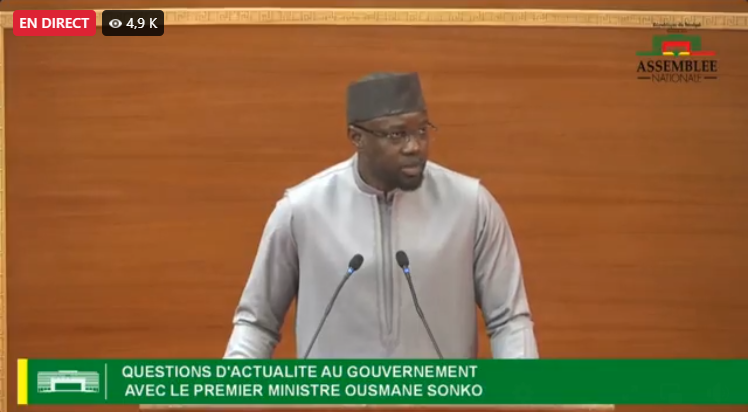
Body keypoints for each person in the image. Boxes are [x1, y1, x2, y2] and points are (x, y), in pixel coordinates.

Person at [224, 72, 539, 359]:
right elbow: (257, 324)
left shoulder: (471, 206)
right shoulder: (302, 210)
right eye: (397, 135)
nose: (414, 146)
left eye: (421, 130)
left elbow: (509, 320)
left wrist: (525, 391)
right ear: (357, 137)